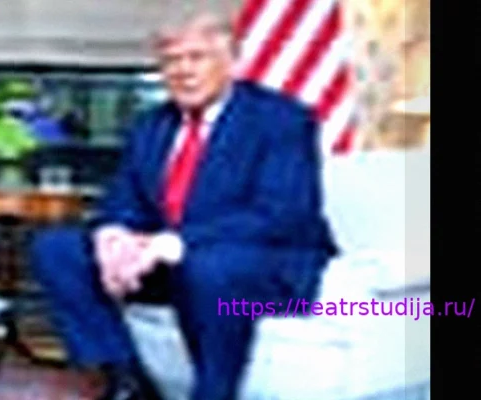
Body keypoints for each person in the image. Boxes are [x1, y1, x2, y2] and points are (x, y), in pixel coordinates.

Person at [29, 10, 338, 400]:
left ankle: (214, 391)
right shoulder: (152, 125)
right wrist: (114, 235)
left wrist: (171, 244)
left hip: (263, 265)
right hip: (170, 264)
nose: (183, 71)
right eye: (171, 61)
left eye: (197, 57)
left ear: (232, 62)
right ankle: (125, 381)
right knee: (57, 248)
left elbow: (281, 215)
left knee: (208, 265)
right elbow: (125, 199)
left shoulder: (281, 119)